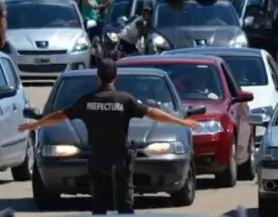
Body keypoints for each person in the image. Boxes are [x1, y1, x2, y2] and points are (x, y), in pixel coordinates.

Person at [18, 60, 199, 214]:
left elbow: (61, 115)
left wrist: (36, 124)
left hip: (98, 159)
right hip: (120, 160)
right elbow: (153, 113)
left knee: (99, 205)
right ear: (115, 77)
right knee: (125, 205)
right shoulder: (125, 100)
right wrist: (180, 121)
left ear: (98, 77)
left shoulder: (87, 101)